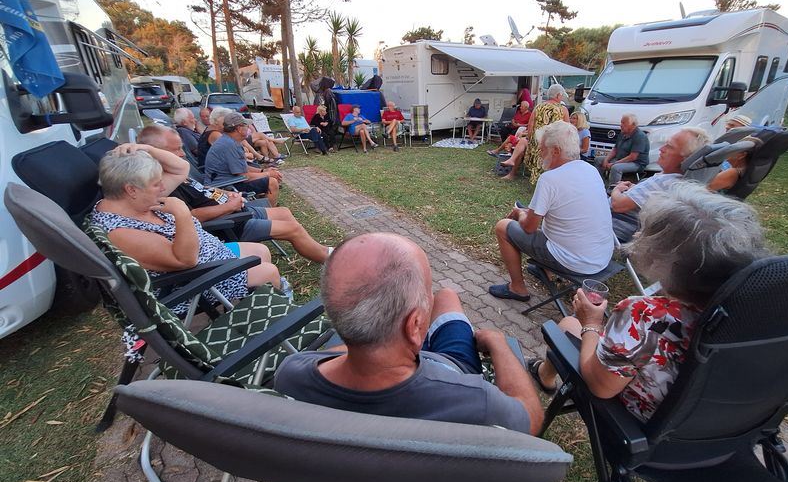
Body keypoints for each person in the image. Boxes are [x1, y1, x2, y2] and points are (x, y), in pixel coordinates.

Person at [528, 183, 769, 422]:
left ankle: (544, 376)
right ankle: (544, 374)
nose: (636, 236)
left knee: (569, 324)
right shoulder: (751, 311)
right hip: (710, 427)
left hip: (641, 426)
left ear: (670, 260)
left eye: (648, 233)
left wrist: (591, 322)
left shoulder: (646, 314)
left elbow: (600, 386)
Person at [273, 232, 543, 434]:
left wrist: (373, 339)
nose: (430, 297)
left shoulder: (292, 374)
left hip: (391, 354)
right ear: (414, 326)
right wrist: (498, 344)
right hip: (449, 367)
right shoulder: (473, 400)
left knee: (444, 296)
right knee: (447, 296)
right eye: (427, 294)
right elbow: (531, 419)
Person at [88, 144, 284, 316]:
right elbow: (185, 260)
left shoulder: (134, 200)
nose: (163, 187)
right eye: (157, 184)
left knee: (261, 251)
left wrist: (147, 149)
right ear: (131, 189)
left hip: (210, 258)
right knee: (268, 272)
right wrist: (182, 213)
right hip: (190, 283)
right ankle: (275, 323)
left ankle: (252, 310)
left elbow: (180, 169)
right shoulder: (120, 232)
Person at [138, 125, 331, 263]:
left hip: (233, 208)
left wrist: (225, 194)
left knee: (285, 212)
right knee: (292, 229)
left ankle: (312, 248)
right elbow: (190, 217)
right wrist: (228, 206)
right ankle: (326, 257)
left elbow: (203, 191)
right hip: (227, 224)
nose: (182, 154)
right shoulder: (162, 186)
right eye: (176, 149)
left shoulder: (175, 173)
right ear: (156, 153)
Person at [489, 121, 614, 302]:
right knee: (553, 227)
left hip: (576, 263)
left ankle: (517, 288)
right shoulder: (591, 170)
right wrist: (528, 212)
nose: (540, 154)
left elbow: (530, 227)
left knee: (502, 227)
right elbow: (567, 212)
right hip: (601, 257)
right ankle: (546, 271)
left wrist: (519, 214)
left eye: (542, 149)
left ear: (555, 150)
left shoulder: (550, 179)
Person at [609, 127, 711, 243]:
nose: (662, 149)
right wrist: (635, 189)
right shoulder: (680, 181)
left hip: (616, 221)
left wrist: (617, 189)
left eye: (670, 147)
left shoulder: (665, 182)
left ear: (686, 159)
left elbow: (618, 205)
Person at [204, 111, 283, 205]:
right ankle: (269, 214)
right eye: (246, 125)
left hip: (227, 180)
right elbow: (244, 176)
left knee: (267, 177)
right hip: (224, 185)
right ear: (239, 128)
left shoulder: (229, 141)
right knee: (272, 182)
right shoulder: (230, 145)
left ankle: (263, 207)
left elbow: (242, 167)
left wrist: (263, 171)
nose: (249, 128)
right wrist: (268, 174)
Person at [524, 84, 570, 184]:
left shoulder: (538, 107)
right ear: (558, 95)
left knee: (539, 159)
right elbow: (567, 129)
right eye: (561, 96)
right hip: (554, 143)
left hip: (538, 141)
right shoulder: (563, 110)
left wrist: (531, 139)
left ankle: (536, 179)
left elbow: (531, 124)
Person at [596, 114, 650, 185]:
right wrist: (606, 160)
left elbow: (632, 157)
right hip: (620, 158)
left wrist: (614, 164)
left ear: (632, 125)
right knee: (598, 160)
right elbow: (615, 150)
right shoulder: (622, 133)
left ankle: (612, 190)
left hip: (636, 163)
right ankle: (599, 184)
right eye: (621, 122)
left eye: (623, 123)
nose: (621, 125)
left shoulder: (640, 136)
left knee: (616, 168)